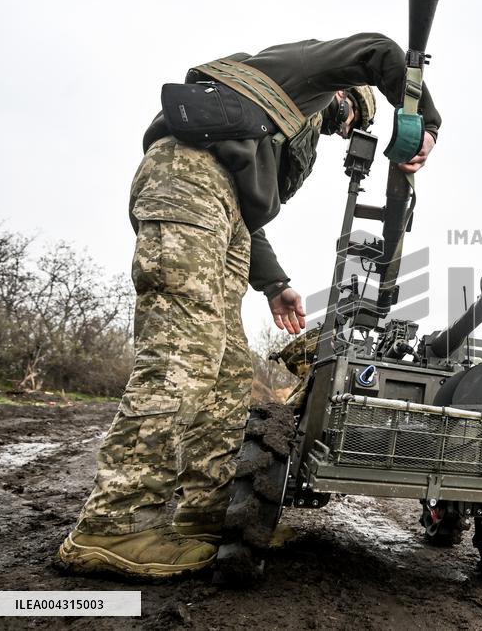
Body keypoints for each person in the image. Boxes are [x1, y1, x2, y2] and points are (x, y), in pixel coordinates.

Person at [57, 33, 440, 579]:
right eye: (352, 111)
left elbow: (242, 208)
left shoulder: (282, 129)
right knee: (182, 361)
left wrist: (274, 283)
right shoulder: (303, 71)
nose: (346, 126)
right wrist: (426, 123)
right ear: (343, 92)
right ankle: (111, 526)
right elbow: (379, 50)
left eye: (355, 122)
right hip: (190, 184)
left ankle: (202, 517)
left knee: (229, 371)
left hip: (227, 212)